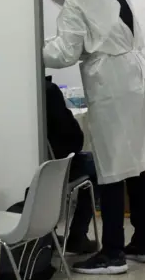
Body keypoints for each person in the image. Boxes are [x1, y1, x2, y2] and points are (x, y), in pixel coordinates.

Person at [42, 0, 145, 275]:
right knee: (135, 164)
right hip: (132, 78)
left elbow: (66, 52)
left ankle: (112, 253)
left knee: (111, 168)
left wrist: (31, 48)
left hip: (112, 83)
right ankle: (143, 242)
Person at [44, 75, 98, 255]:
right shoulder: (48, 90)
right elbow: (74, 140)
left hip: (39, 167)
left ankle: (47, 235)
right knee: (96, 168)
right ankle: (78, 236)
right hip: (56, 168)